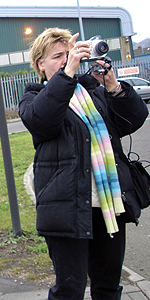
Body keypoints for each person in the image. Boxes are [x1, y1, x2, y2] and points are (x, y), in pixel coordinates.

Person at [19, 27, 148, 299]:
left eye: (70, 55)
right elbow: (42, 121)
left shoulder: (93, 92)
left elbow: (133, 120)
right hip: (67, 207)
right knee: (69, 289)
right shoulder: (33, 98)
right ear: (41, 64)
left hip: (108, 204)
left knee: (108, 286)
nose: (67, 61)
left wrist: (113, 86)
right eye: (58, 57)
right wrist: (66, 75)